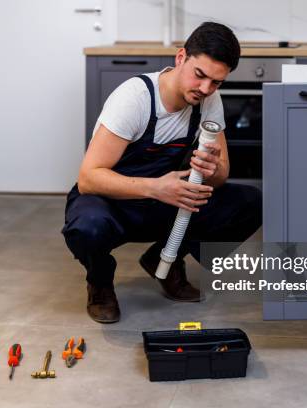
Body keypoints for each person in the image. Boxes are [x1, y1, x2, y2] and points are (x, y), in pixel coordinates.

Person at [62, 22, 262, 324]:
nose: (206, 89)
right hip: (113, 203)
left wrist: (211, 170)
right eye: (200, 75)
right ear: (181, 57)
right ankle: (100, 282)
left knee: (249, 202)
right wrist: (155, 188)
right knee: (87, 228)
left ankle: (166, 256)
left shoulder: (209, 100)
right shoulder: (135, 98)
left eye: (216, 82)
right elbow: (89, 178)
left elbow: (221, 177)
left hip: (166, 202)